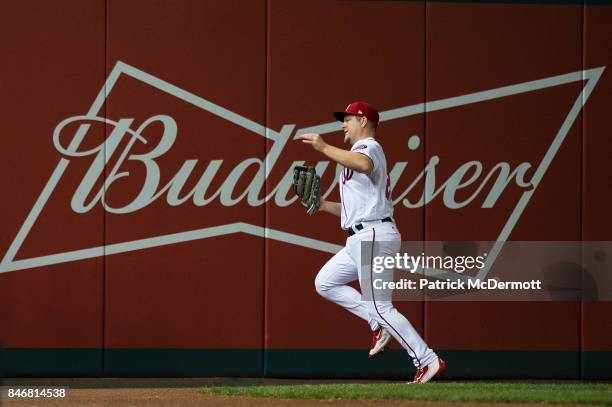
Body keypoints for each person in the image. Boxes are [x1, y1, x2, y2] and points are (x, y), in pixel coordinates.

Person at [300, 101, 445, 384]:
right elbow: (354, 209)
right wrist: (320, 204)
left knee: (381, 306)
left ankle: (427, 360)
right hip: (360, 236)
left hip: (374, 235)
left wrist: (323, 148)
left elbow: (364, 165)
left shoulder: (368, 148)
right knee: (325, 282)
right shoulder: (354, 153)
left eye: (348, 119)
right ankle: (378, 323)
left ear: (363, 121)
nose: (343, 124)